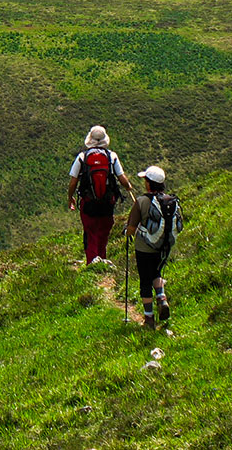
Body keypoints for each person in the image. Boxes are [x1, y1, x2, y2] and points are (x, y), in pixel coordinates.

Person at [67, 125, 135, 264]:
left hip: (88, 202)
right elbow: (122, 179)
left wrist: (70, 198)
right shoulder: (112, 156)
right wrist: (128, 186)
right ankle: (102, 259)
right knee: (104, 231)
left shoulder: (82, 157)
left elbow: (73, 182)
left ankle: (92, 262)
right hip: (107, 202)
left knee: (90, 231)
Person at [126, 165, 180, 330]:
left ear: (149, 183)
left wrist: (127, 232)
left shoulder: (141, 201)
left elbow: (132, 227)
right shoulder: (170, 201)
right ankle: (162, 298)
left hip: (144, 248)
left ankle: (149, 319)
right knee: (156, 272)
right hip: (163, 247)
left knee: (145, 281)